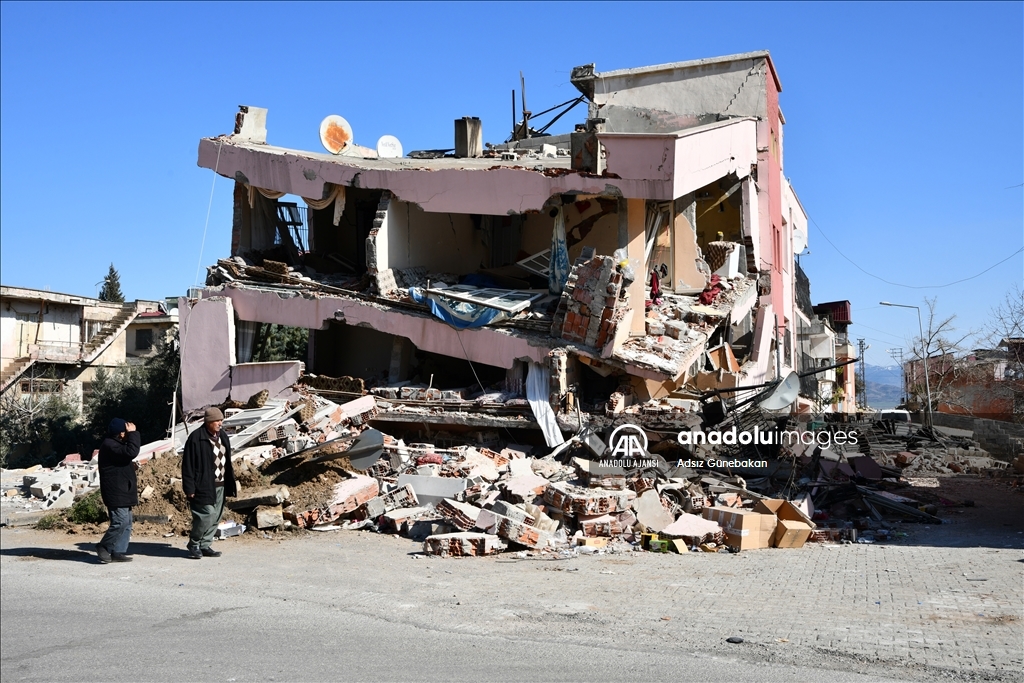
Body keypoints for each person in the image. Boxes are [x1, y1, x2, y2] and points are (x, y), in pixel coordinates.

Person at [181, 407, 237, 560]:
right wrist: (189, 488)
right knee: (206, 514)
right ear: (208, 422)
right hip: (203, 485)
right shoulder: (196, 438)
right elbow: (187, 465)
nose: (220, 423)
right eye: (217, 421)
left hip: (221, 484)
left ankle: (205, 545)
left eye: (221, 420)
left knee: (216, 517)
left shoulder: (222, 436)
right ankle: (194, 543)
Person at [96, 418, 141, 564]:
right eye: (127, 432)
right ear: (122, 434)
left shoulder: (115, 445)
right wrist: (134, 434)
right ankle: (103, 546)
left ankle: (118, 551)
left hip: (123, 490)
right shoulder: (110, 445)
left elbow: (124, 458)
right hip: (116, 491)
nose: (128, 435)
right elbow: (131, 452)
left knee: (127, 522)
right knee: (120, 521)